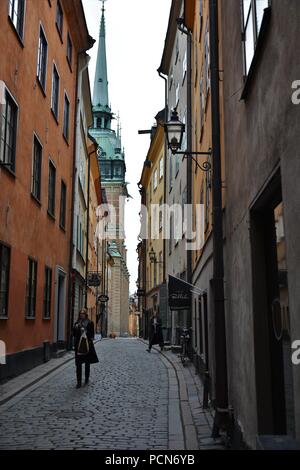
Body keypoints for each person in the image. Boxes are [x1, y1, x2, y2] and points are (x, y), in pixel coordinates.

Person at [73, 309, 99, 388]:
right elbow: (74, 334)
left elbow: (91, 335)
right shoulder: (77, 323)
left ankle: (87, 378)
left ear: (86, 314)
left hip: (87, 345)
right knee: (78, 364)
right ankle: (79, 381)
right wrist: (76, 328)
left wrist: (85, 332)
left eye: (83, 314)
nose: (82, 315)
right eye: (80, 314)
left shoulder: (90, 323)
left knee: (87, 363)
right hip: (78, 346)